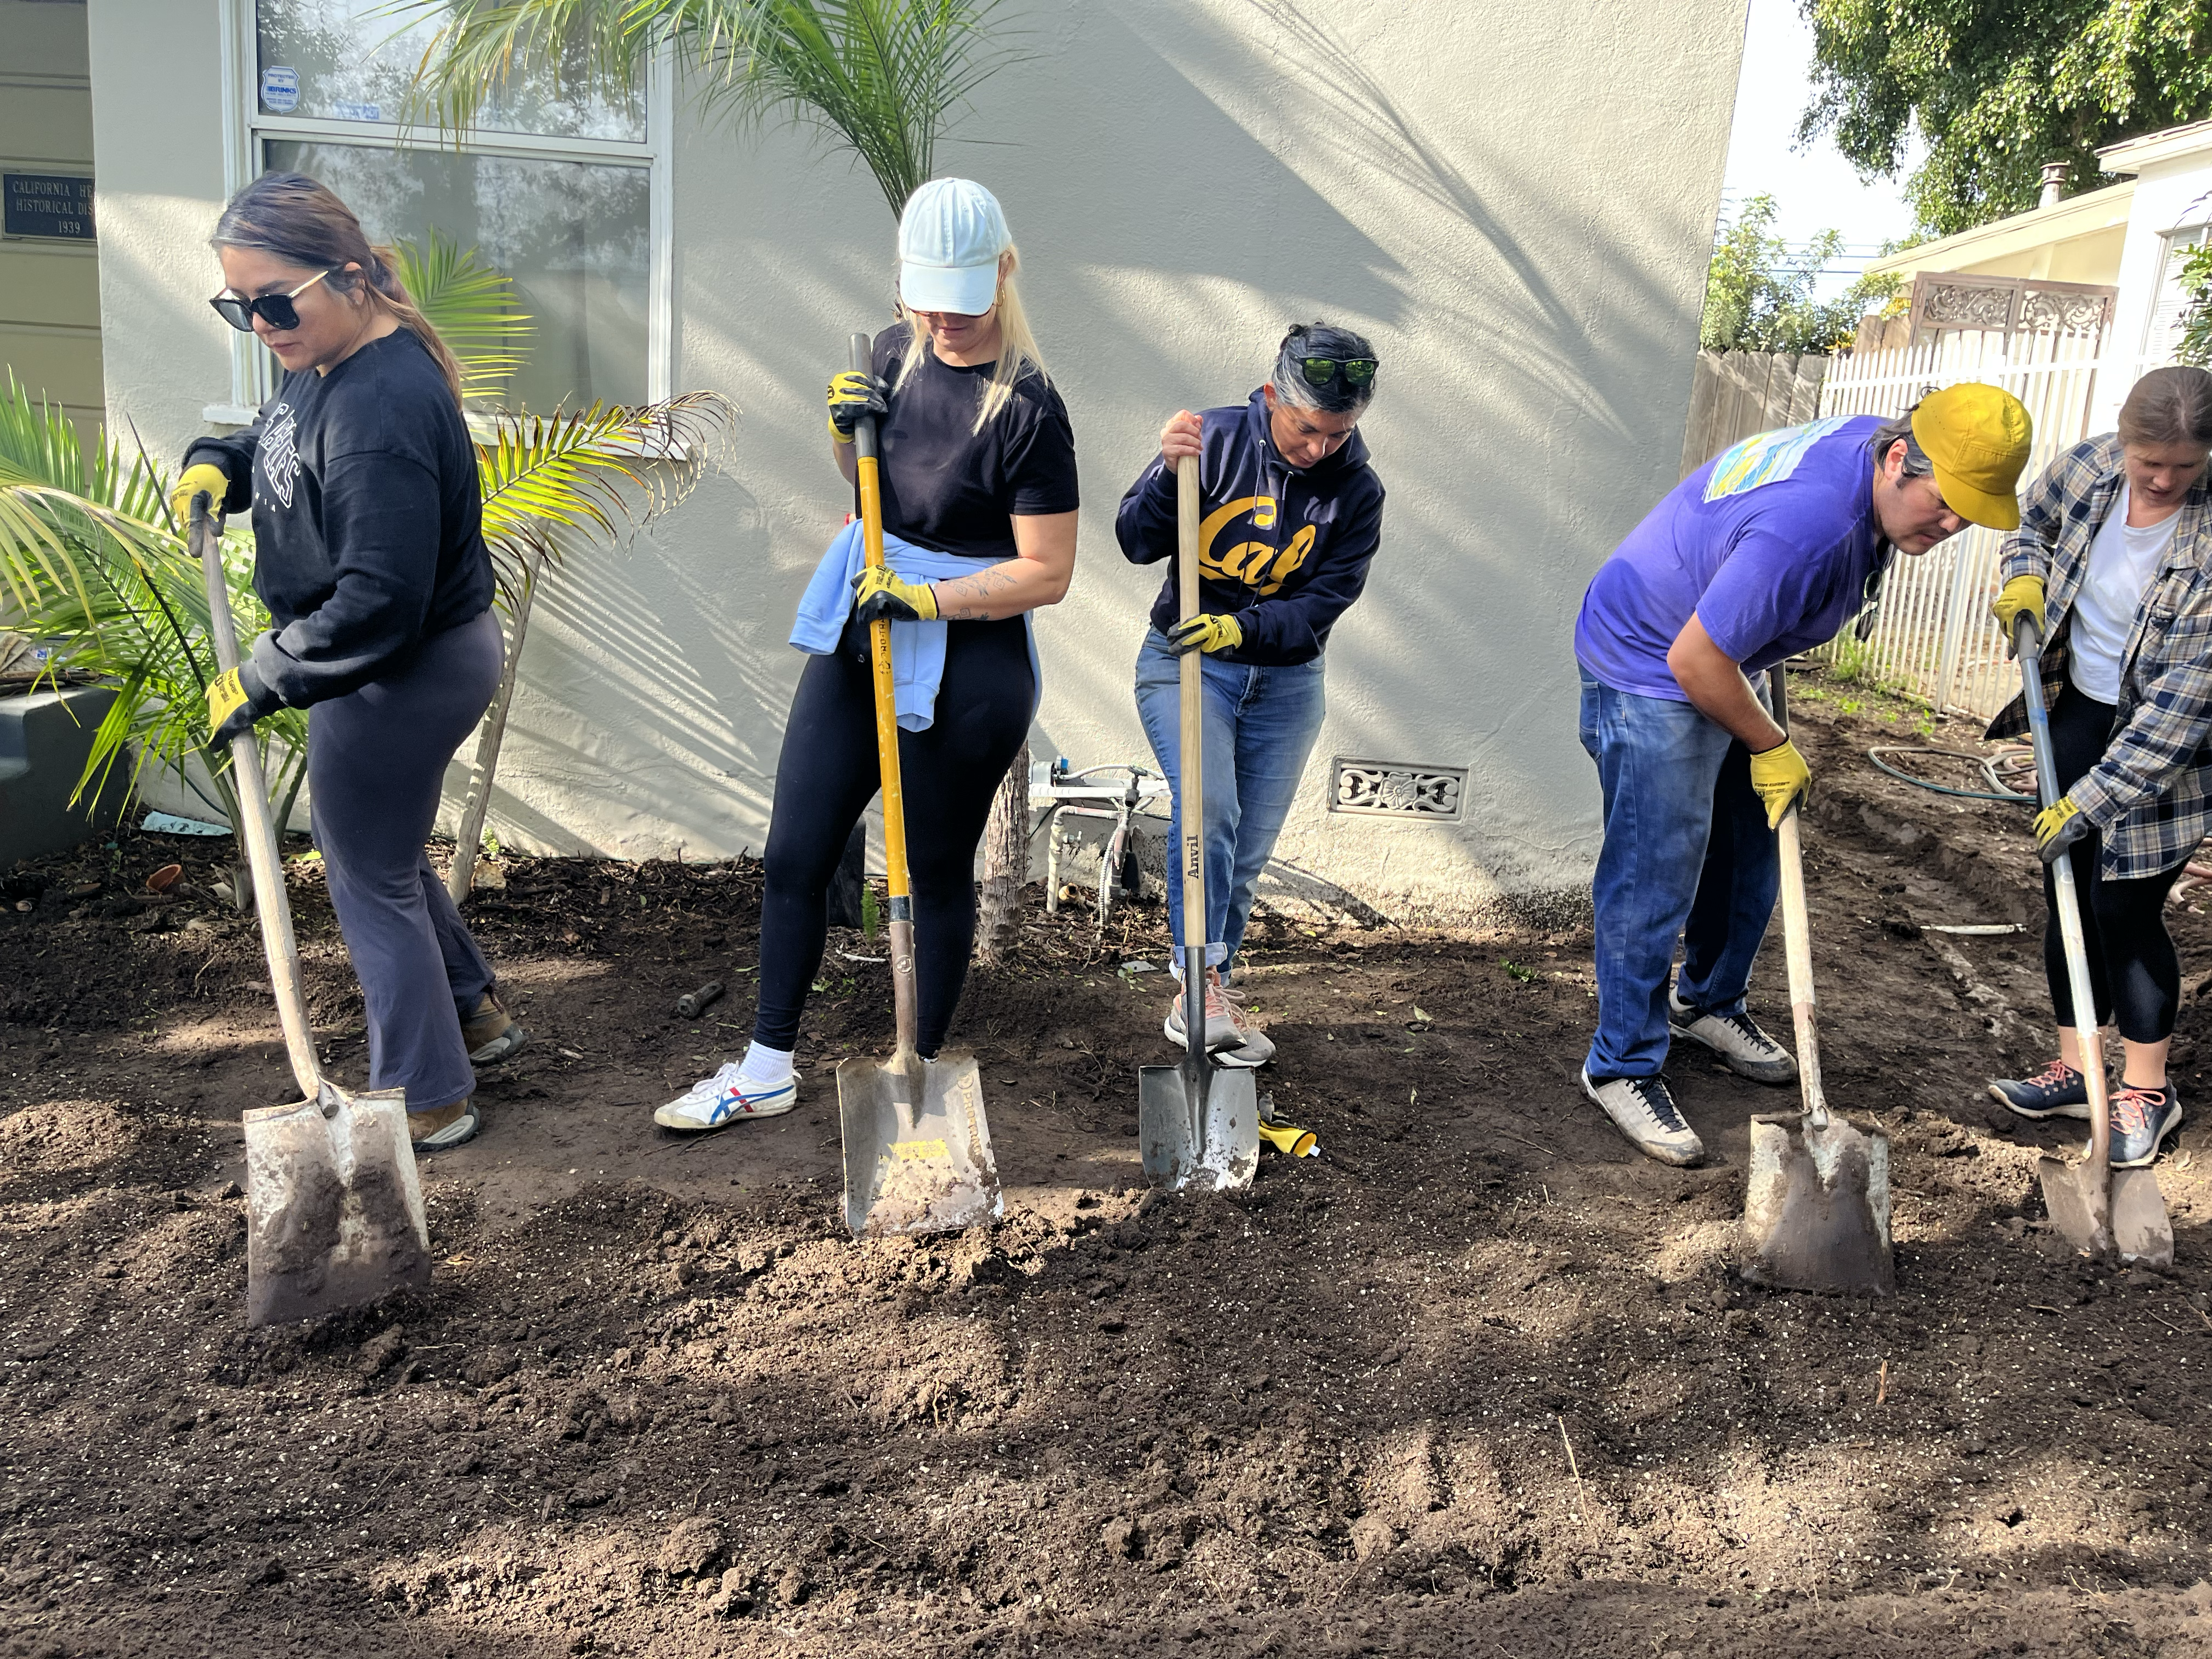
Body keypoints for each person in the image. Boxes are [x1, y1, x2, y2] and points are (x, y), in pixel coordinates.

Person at [656, 177, 1077, 1131]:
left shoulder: (1031, 407)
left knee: (930, 875)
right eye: (927, 299)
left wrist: (929, 596)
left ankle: (916, 1078)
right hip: (866, 620)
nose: (944, 320)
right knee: (798, 850)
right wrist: (848, 436)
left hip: (971, 658)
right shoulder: (889, 352)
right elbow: (873, 491)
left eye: (966, 301)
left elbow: (1048, 573)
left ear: (1004, 274)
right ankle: (766, 1065)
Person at [1572, 385, 2032, 1165]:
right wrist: (1770, 742)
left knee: (1754, 839)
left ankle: (1708, 1001)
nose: (1952, 526)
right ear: (1897, 460)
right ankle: (1620, 1064)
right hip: (1653, 661)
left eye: (1969, 515)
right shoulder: (1810, 530)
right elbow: (1695, 660)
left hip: (1715, 640)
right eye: (1946, 505)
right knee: (1656, 870)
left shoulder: (1869, 448)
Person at [169, 172, 527, 1154]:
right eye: (238, 305)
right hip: (386, 662)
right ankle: (477, 1013)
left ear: (353, 276)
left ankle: (429, 1097)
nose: (259, 325)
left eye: (274, 302)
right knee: (389, 851)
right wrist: (221, 461)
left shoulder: (384, 410)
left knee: (366, 871)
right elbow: (280, 437)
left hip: (397, 670)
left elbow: (381, 599)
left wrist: (265, 673)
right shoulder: (322, 357)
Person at [1115, 323, 1385, 1066]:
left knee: (1246, 848)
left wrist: (1242, 628)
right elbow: (1137, 541)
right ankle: (1197, 978)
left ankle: (1212, 991)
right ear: (1273, 398)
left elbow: (1325, 601)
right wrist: (1166, 474)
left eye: (1339, 433)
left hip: (1289, 677)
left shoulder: (1358, 491)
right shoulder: (1213, 441)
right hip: (1184, 662)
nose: (1321, 448)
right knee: (1211, 812)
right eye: (1307, 430)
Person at [1985, 366, 2212, 1167]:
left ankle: (2149, 1089)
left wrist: (2094, 798)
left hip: (2175, 746)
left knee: (2124, 906)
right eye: (2149, 458)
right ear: (2123, 436)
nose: (2161, 478)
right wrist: (2024, 573)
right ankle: (2079, 1069)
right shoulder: (2086, 467)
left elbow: (2181, 710)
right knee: (2068, 890)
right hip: (2081, 706)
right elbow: (2029, 526)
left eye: (2184, 467)